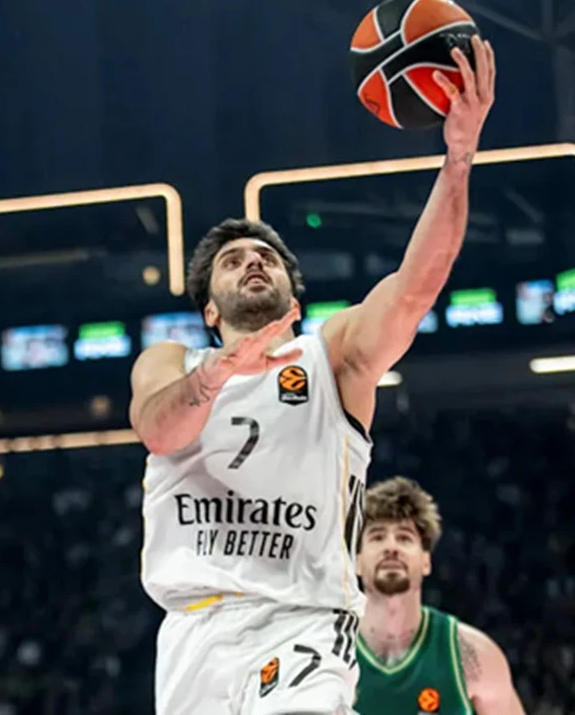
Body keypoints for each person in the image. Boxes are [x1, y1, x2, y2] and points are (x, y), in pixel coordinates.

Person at [131, 37, 496, 715]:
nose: (253, 261)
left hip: (302, 619)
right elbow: (158, 430)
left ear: (293, 299)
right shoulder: (171, 362)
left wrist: (459, 157)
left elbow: (415, 289)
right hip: (193, 635)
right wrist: (219, 374)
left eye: (266, 257)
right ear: (210, 309)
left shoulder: (331, 357)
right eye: (234, 259)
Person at [354, 477, 524, 715]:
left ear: (426, 561)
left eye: (404, 537)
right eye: (377, 536)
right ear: (356, 562)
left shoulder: (474, 655)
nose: (391, 547)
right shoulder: (327, 649)